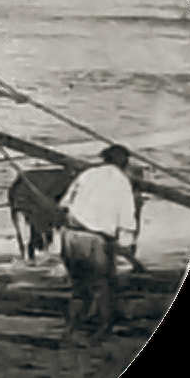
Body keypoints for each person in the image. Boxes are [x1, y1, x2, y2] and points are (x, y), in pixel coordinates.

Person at [57, 144, 139, 342]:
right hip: (95, 239)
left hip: (70, 235)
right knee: (103, 285)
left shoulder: (87, 174)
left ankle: (71, 330)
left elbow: (64, 204)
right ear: (125, 163)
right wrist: (126, 245)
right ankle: (102, 331)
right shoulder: (122, 182)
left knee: (78, 287)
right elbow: (127, 217)